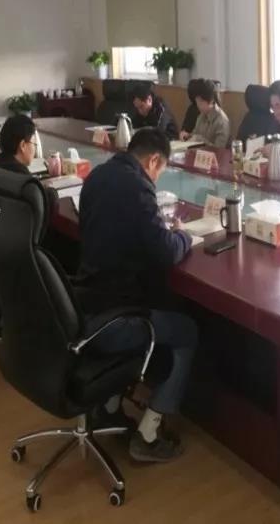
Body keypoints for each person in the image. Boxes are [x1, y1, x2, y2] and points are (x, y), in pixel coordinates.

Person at [76, 127, 197, 463]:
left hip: (86, 304)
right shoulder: (138, 187)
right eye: (160, 171)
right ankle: (148, 435)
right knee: (187, 331)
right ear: (154, 160)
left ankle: (108, 408)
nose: (157, 179)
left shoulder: (97, 176)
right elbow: (166, 251)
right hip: (116, 316)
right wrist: (183, 236)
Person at [178, 79, 230, 148]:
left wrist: (202, 141)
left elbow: (219, 149)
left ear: (211, 101)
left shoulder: (222, 121)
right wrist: (188, 136)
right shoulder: (201, 116)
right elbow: (195, 134)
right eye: (197, 102)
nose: (198, 105)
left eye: (201, 102)